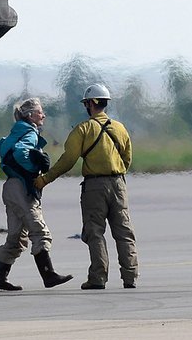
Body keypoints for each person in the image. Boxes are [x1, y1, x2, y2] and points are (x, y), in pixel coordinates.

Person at [35, 83, 139, 290]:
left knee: (95, 232)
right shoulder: (120, 128)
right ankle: (130, 277)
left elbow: (68, 160)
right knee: (124, 232)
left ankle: (98, 278)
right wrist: (116, 174)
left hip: (94, 187)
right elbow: (127, 158)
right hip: (119, 184)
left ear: (90, 104)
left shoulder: (83, 130)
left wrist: (45, 179)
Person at [0, 97, 73, 290]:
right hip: (22, 188)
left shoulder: (13, 133)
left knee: (16, 237)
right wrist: (34, 165)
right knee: (39, 231)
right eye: (40, 112)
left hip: (9, 188)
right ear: (30, 116)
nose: (43, 115)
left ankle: (0, 279)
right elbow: (20, 153)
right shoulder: (30, 133)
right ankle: (48, 275)